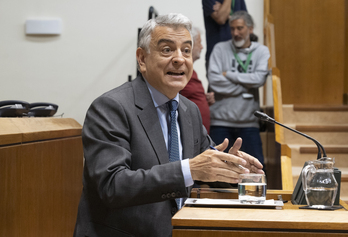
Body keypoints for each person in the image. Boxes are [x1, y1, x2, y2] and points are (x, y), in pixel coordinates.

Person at [73, 13, 264, 237]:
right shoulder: (111, 107)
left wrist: (234, 168)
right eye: (167, 50)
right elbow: (112, 185)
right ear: (142, 59)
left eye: (186, 50)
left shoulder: (188, 110)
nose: (179, 59)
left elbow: (207, 163)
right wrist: (189, 169)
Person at [208, 11, 270, 167]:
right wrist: (246, 88)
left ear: (250, 29)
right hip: (220, 122)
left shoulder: (261, 51)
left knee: (254, 169)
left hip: (249, 123)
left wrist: (229, 74)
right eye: (232, 29)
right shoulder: (220, 49)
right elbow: (215, 81)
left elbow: (259, 79)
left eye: (240, 28)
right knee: (216, 170)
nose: (235, 33)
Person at [180, 27, 215, 134]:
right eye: (199, 43)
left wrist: (204, 98)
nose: (202, 47)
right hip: (187, 132)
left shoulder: (191, 71)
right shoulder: (179, 70)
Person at [202, 0, 247, 70]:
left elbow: (245, 22)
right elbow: (221, 18)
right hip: (217, 56)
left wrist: (226, 13)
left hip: (239, 54)